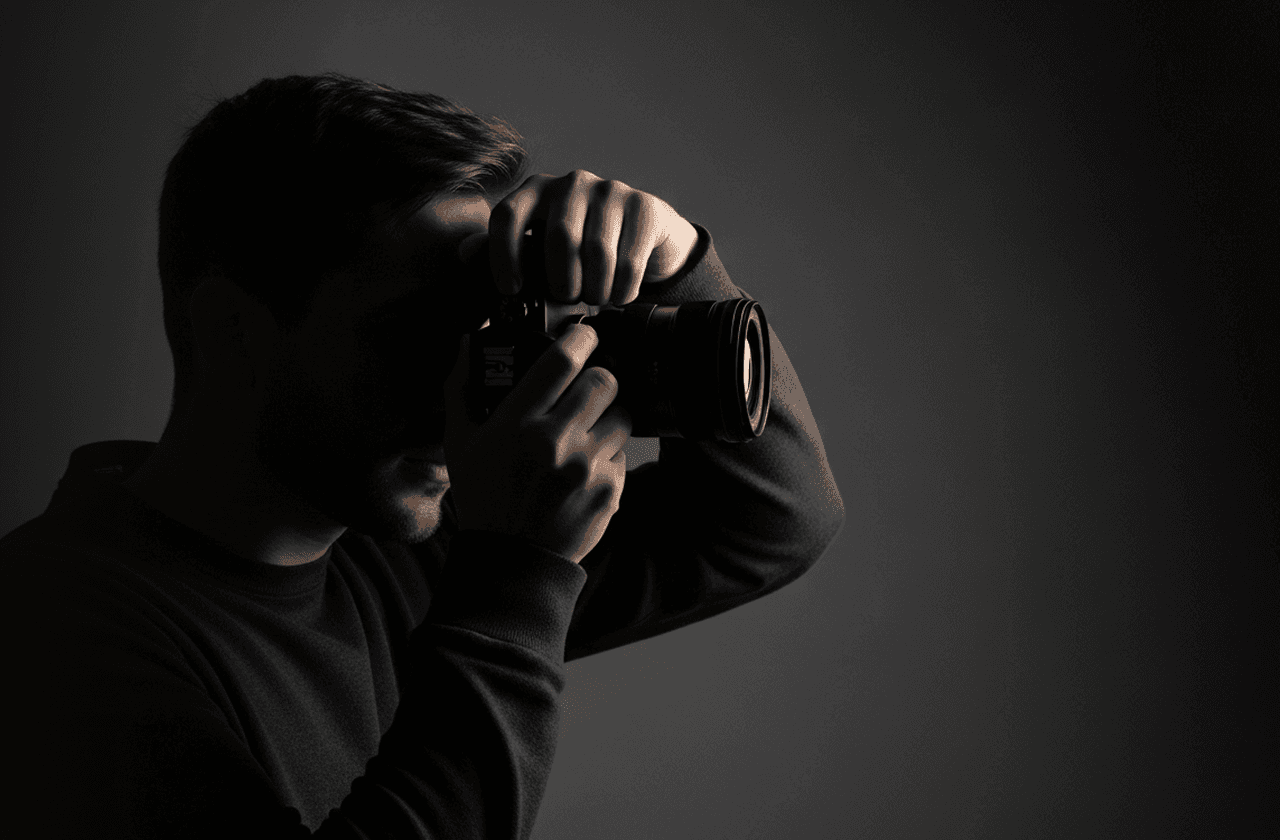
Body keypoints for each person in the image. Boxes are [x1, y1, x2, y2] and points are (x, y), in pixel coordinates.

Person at [0, 73, 844, 838]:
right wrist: (517, 575)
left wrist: (678, 267)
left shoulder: (403, 553)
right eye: (414, 335)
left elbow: (770, 520)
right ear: (233, 333)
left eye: (486, 331)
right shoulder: (51, 630)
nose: (472, 396)